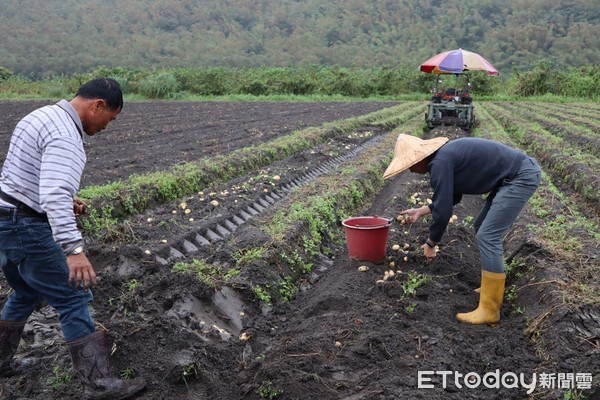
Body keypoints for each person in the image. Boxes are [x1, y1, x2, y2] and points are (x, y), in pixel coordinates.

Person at [0, 78, 146, 399]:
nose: (108, 126)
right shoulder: (67, 137)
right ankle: (100, 384)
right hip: (27, 228)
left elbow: (23, 175)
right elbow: (53, 194)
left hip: (6, 221)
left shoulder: (40, 116)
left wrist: (66, 201)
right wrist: (74, 249)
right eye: (111, 118)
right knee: (74, 296)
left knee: (24, 290)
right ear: (97, 106)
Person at [383, 134, 541, 326]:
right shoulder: (443, 157)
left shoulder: (439, 162)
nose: (411, 170)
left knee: (488, 235)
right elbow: (451, 197)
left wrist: (431, 242)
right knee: (481, 227)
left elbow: (443, 212)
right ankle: (489, 288)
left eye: (410, 164)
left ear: (420, 158)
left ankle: (490, 310)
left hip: (520, 176)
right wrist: (421, 211)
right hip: (512, 176)